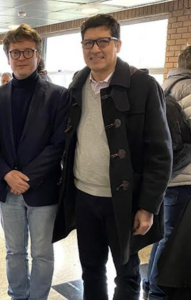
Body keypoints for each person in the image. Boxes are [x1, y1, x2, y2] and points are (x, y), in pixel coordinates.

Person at [53, 14, 172, 300]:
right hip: (84, 196)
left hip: (124, 201)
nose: (95, 49)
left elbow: (160, 151)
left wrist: (147, 206)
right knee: (91, 269)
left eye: (103, 41)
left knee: (126, 272)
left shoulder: (142, 85)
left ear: (117, 44)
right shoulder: (77, 85)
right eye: (88, 43)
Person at [0, 24, 69, 300]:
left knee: (42, 253)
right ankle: (18, 295)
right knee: (14, 251)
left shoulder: (58, 95)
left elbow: (58, 144)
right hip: (7, 189)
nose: (21, 57)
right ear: (8, 56)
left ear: (38, 55)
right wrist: (6, 174)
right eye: (15, 52)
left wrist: (25, 177)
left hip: (44, 189)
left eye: (27, 51)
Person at [142, 46, 191, 300]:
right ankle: (159, 290)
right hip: (183, 177)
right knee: (171, 238)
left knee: (163, 235)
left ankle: (151, 282)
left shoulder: (164, 86)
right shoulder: (190, 89)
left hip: (164, 175)